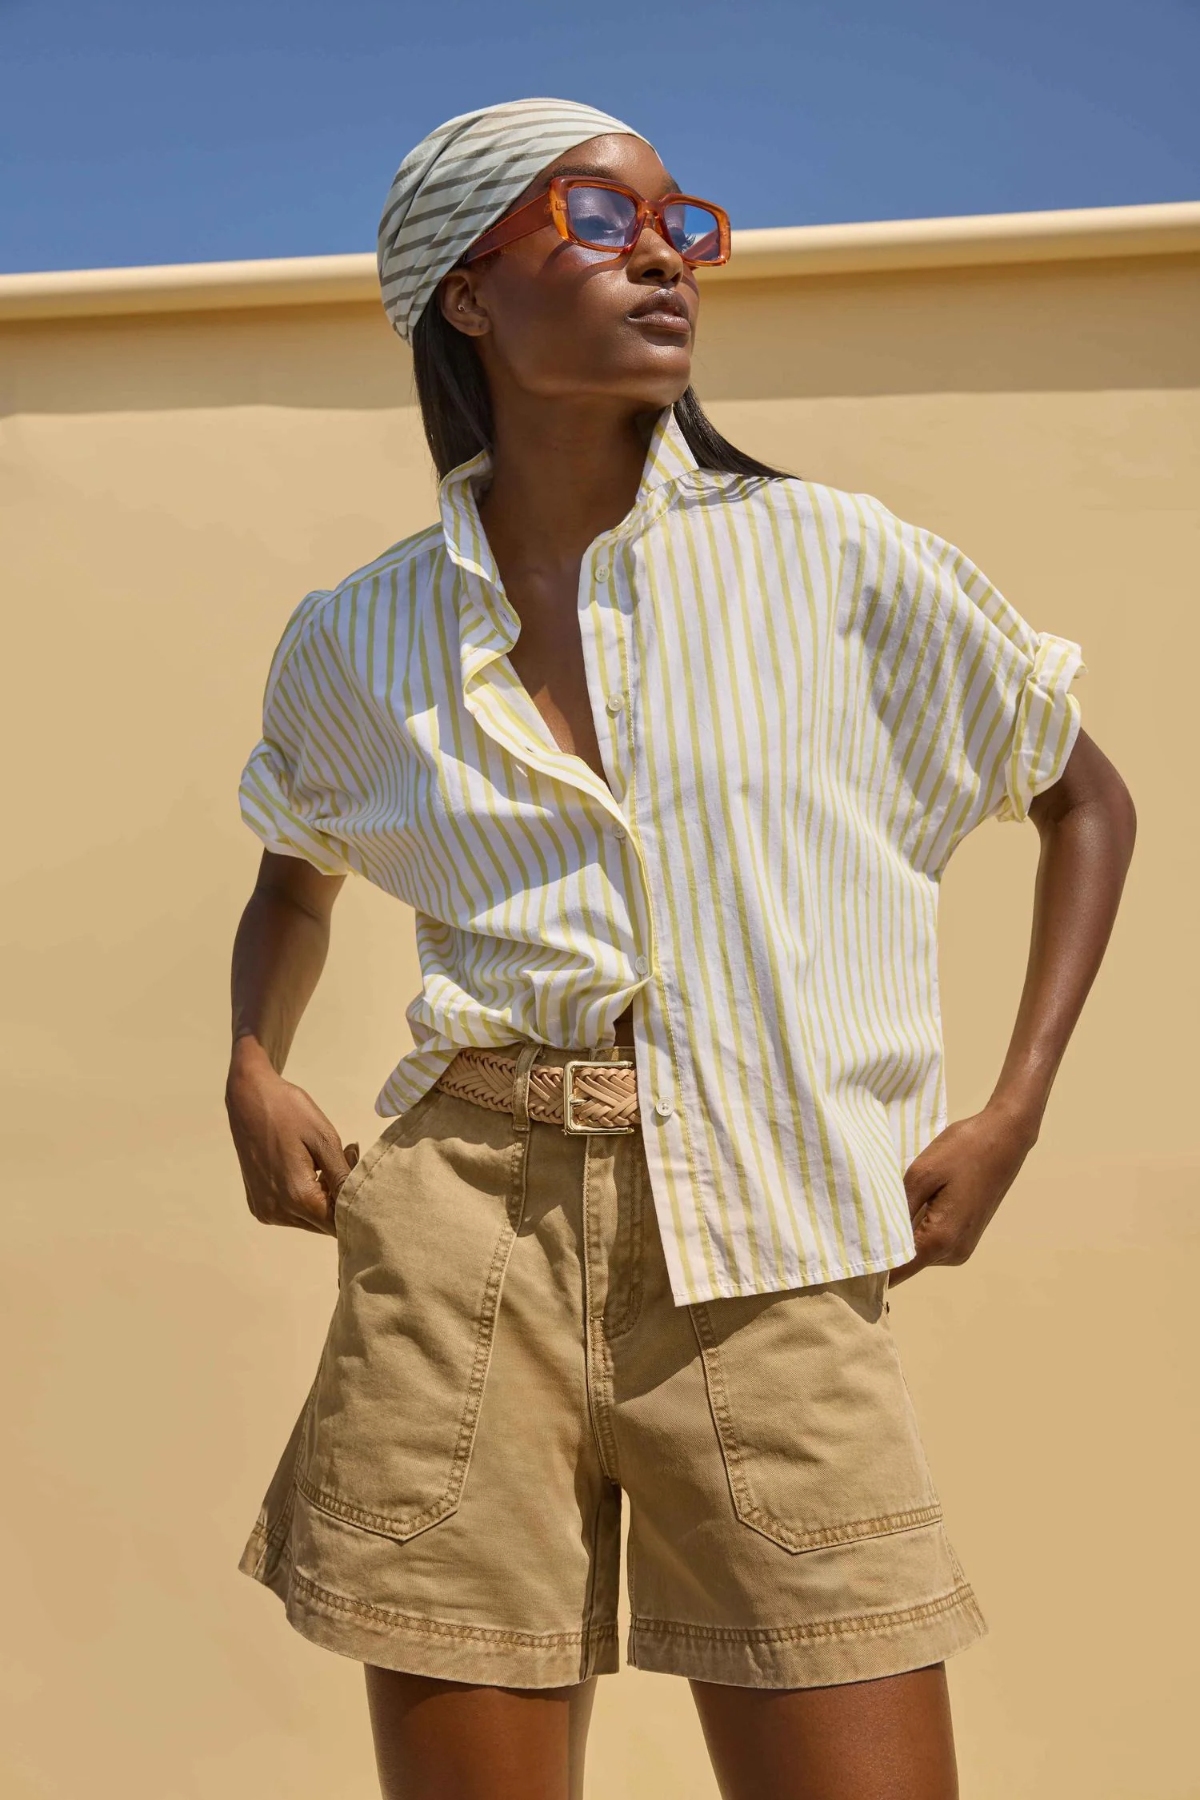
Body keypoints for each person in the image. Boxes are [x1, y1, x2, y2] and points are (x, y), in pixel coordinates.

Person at [225, 97, 1136, 1800]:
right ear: (469, 296)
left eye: (679, 221)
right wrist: (252, 1065)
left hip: (768, 1239)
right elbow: (295, 878)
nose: (663, 250)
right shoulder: (359, 634)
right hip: (458, 1235)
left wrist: (1012, 1108)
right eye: (596, 216)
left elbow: (1085, 799)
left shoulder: (839, 559)